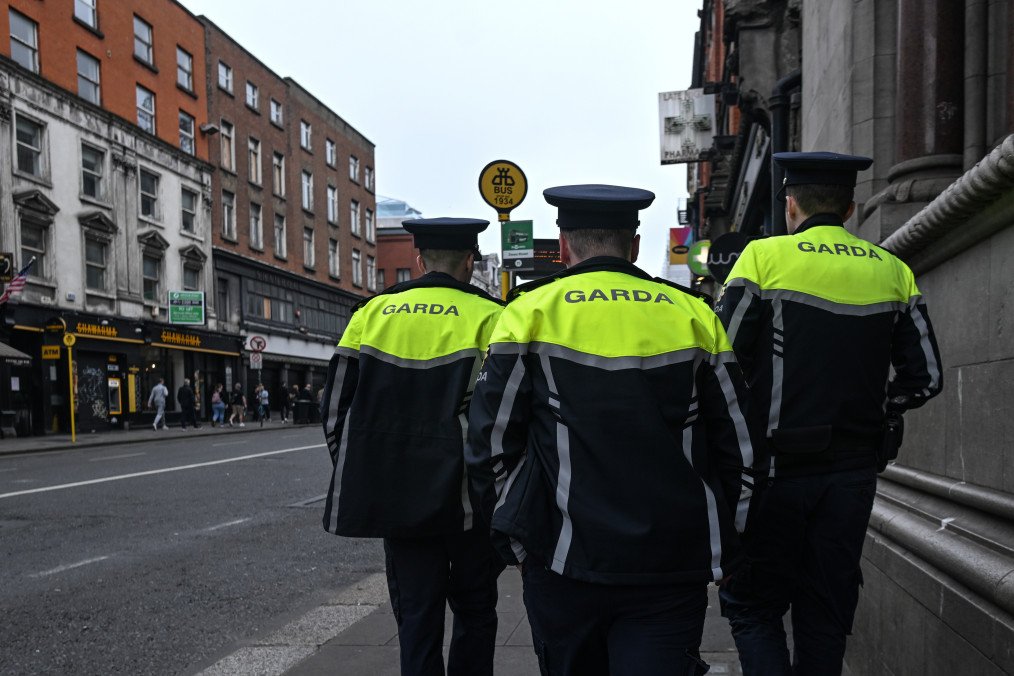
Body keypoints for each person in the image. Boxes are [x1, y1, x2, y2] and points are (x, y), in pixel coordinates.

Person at [466, 185, 759, 676]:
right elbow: (740, 446)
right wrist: (731, 541)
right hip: (670, 565)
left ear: (563, 247)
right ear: (636, 245)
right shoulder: (693, 314)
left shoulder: (529, 312)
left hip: (561, 560)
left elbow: (490, 443)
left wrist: (516, 542)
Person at [714, 152, 943, 675]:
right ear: (851, 207)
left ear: (790, 204)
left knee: (754, 607)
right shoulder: (893, 270)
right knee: (825, 611)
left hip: (773, 472)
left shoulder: (762, 258)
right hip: (851, 475)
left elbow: (721, 359)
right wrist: (882, 412)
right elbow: (926, 378)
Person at [321, 218, 506, 676]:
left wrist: (371, 474)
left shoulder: (372, 313)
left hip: (399, 503)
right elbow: (505, 417)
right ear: (469, 261)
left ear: (419, 261)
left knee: (417, 618)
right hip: (469, 503)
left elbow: (335, 412)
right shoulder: (493, 316)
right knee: (476, 612)